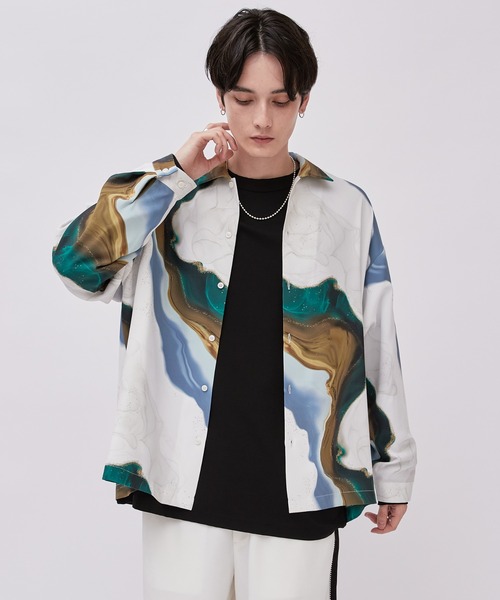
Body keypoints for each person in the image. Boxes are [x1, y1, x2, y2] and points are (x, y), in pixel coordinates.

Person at [52, 7, 416, 600]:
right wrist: (176, 174)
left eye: (280, 100)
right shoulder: (171, 200)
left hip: (305, 482)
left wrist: (393, 466)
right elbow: (76, 267)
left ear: (304, 100)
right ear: (220, 97)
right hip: (182, 482)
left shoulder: (346, 208)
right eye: (244, 99)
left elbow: (375, 343)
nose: (262, 119)